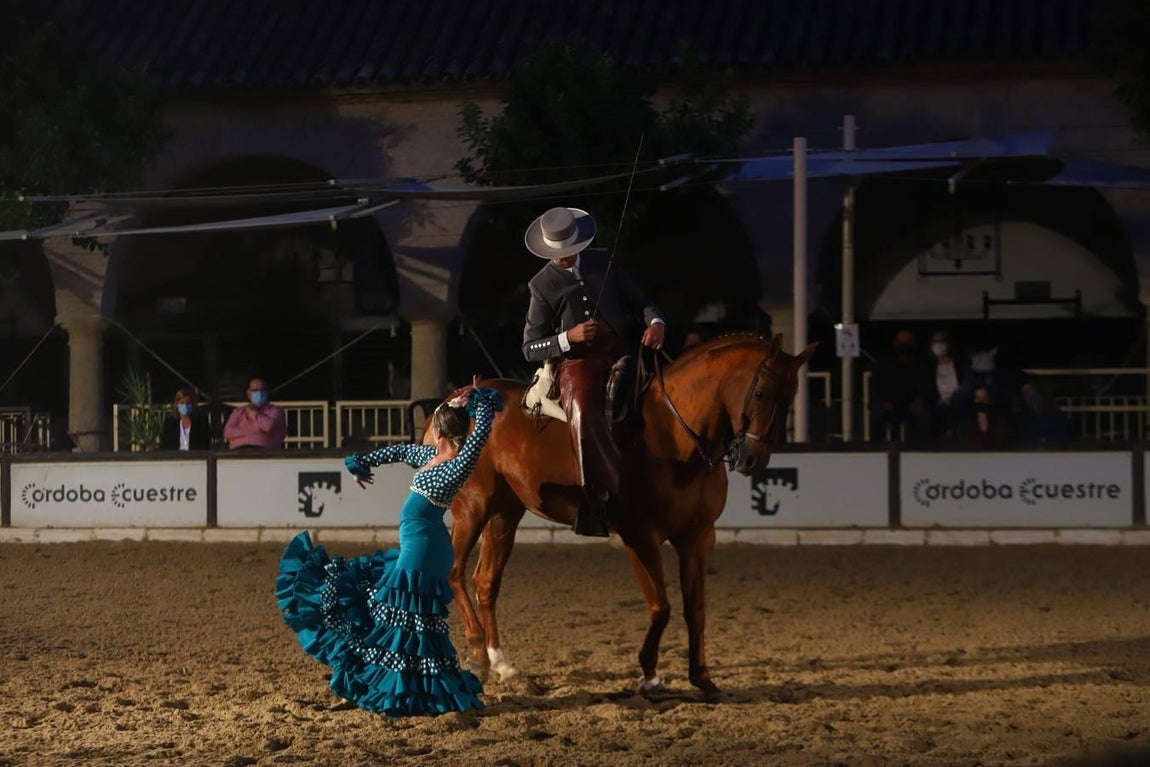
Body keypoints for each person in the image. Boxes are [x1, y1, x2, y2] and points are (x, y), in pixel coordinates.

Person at [276, 377, 501, 717]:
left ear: (438, 433)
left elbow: (482, 428)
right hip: (424, 546)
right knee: (406, 622)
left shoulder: (457, 463)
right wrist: (361, 464)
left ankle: (389, 689)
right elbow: (397, 450)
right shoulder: (432, 455)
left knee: (394, 618)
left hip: (422, 551)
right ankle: (402, 688)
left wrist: (478, 398)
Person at [521, 206, 665, 536]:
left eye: (571, 252)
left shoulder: (604, 260)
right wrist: (566, 338)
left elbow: (642, 300)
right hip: (577, 365)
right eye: (561, 256)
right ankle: (594, 499)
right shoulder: (541, 285)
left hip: (621, 353)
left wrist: (656, 322)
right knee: (585, 410)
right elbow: (529, 348)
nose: (567, 259)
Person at [869, 329, 934, 442]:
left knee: (924, 415)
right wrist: (884, 402)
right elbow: (875, 388)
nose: (904, 345)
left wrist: (920, 400)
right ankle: (876, 447)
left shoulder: (921, 365)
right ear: (895, 343)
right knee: (877, 414)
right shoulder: (884, 364)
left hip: (911, 405)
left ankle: (919, 447)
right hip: (888, 405)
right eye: (901, 341)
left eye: (907, 341)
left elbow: (927, 388)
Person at [927, 329, 971, 440]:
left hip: (958, 403)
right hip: (938, 406)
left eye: (942, 341)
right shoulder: (929, 368)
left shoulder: (960, 364)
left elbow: (966, 386)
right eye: (935, 341)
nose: (938, 345)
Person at [223, 376, 287, 449]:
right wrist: (258, 431)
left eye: (262, 390)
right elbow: (228, 432)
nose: (259, 393)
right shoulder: (238, 411)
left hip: (265, 453)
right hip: (239, 452)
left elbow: (268, 426)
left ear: (267, 391)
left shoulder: (276, 410)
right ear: (249, 393)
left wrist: (253, 413)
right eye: (255, 391)